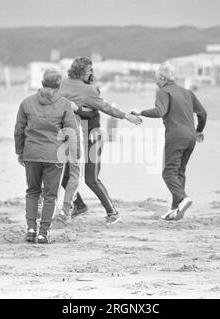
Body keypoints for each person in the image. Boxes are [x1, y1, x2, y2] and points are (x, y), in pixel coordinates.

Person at [58, 56, 142, 225]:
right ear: (81, 71)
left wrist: (126, 116)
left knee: (91, 179)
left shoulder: (88, 90)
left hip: (92, 137)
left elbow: (104, 108)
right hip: (74, 139)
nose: (92, 73)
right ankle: (79, 206)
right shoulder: (74, 87)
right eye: (90, 70)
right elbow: (103, 107)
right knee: (67, 177)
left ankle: (113, 212)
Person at [131, 62, 207, 221]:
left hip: (176, 137)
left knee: (168, 172)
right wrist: (199, 130)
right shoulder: (187, 92)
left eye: (156, 78)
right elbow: (203, 113)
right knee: (179, 171)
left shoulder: (163, 92)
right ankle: (175, 208)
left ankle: (182, 198)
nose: (155, 82)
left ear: (161, 78)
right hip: (190, 138)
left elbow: (160, 111)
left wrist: (140, 112)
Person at [14, 68, 80, 244]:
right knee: (50, 196)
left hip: (32, 154)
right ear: (59, 85)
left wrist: (19, 152)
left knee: (32, 191)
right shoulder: (64, 104)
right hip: (54, 156)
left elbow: (19, 130)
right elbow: (71, 132)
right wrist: (76, 154)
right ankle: (43, 232)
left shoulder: (26, 102)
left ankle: (30, 228)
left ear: (42, 83)